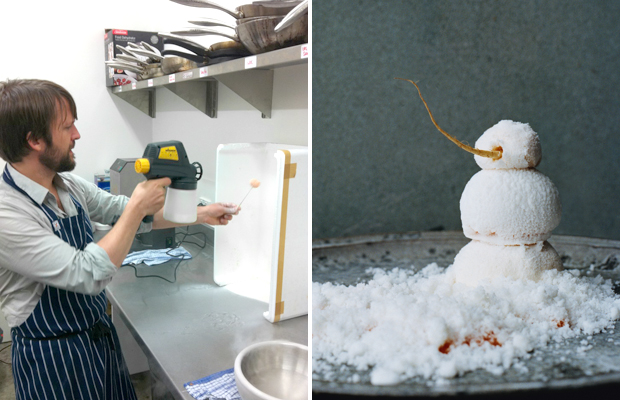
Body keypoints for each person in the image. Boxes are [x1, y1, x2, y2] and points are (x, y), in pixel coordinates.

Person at [0, 79, 239, 399]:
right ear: (34, 140)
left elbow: (120, 211)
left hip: (97, 340)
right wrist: (138, 205)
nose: (77, 135)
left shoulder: (67, 185)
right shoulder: (7, 213)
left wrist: (201, 213)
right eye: (67, 126)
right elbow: (85, 272)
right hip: (52, 360)